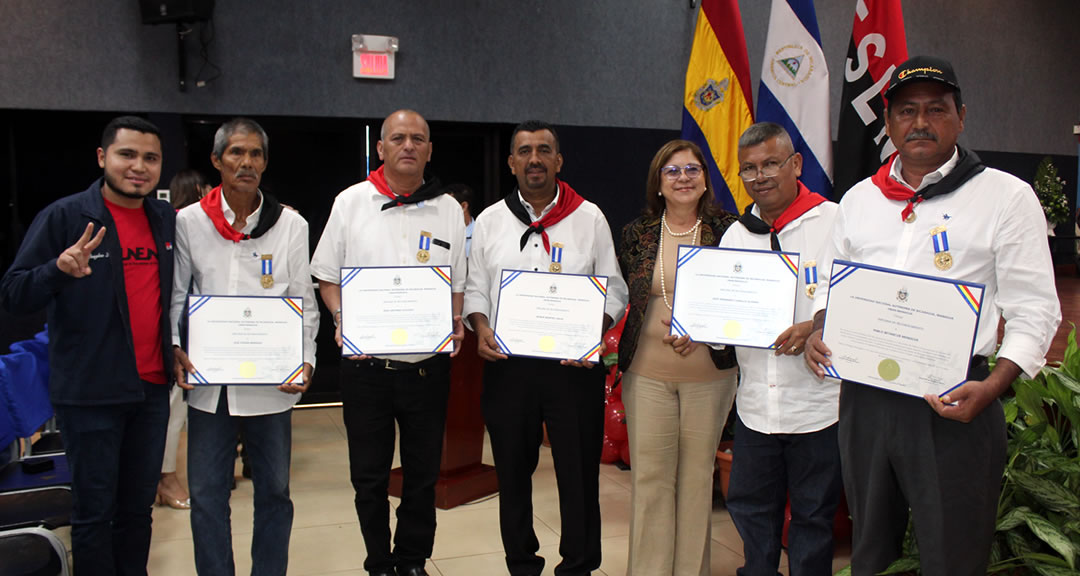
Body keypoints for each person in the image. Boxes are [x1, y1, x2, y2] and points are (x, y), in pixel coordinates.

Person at [804, 56, 1061, 575]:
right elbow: (831, 283)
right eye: (906, 111)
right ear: (889, 122)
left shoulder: (1006, 198)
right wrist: (819, 327)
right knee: (870, 550)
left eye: (936, 110)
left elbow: (1036, 310)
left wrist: (992, 389)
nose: (920, 122)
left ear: (961, 117)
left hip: (956, 399)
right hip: (866, 399)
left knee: (953, 554)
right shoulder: (858, 200)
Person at [0, 115, 175, 575]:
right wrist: (56, 270)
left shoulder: (165, 220)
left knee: (137, 513)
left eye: (150, 158)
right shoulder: (65, 217)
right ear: (102, 158)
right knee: (95, 516)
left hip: (152, 391)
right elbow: (13, 293)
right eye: (127, 154)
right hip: (91, 394)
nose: (139, 166)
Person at [464, 120, 629, 576]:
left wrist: (589, 332)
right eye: (524, 151)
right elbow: (476, 289)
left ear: (559, 160)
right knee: (513, 475)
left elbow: (614, 289)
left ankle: (578, 565)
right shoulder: (490, 221)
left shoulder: (590, 217)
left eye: (543, 150)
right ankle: (521, 562)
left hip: (571, 367)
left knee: (578, 475)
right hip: (508, 366)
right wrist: (480, 329)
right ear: (512, 161)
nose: (534, 159)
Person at [310, 109, 466, 576]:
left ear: (430, 150)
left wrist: (455, 319)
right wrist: (341, 315)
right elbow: (326, 278)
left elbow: (456, 282)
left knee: (422, 476)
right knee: (369, 478)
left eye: (418, 138)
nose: (409, 146)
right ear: (380, 148)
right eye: (398, 138)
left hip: (426, 367)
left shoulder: (449, 211)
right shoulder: (350, 203)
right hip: (367, 370)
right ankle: (378, 560)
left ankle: (412, 559)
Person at [171, 118, 319, 575]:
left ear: (265, 163)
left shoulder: (290, 225)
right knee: (208, 496)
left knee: (274, 493)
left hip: (271, 387)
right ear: (217, 161)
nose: (247, 162)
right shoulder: (190, 222)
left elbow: (303, 302)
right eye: (236, 152)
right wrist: (175, 345)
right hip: (209, 386)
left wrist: (306, 360)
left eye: (256, 154)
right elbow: (178, 294)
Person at [722, 123, 842, 576]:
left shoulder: (834, 222)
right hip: (756, 406)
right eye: (749, 168)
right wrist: (699, 325)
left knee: (813, 518)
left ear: (795, 164)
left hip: (818, 404)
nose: (760, 176)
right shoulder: (737, 235)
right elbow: (722, 318)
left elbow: (856, 297)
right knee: (753, 513)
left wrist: (815, 324)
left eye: (771, 163)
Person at [615, 139, 738, 576]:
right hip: (646, 374)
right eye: (673, 171)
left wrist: (705, 332)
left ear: (705, 179)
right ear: (659, 182)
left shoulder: (732, 230)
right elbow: (620, 295)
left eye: (692, 170)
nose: (683, 178)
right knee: (650, 481)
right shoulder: (637, 232)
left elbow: (743, 299)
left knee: (695, 482)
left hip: (710, 376)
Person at [155, 168, 211, 511]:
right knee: (170, 410)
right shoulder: (177, 222)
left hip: (196, 331)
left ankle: (164, 475)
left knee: (174, 410)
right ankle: (165, 477)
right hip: (171, 331)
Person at [445, 182, 476, 257]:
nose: (443, 209)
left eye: (447, 205)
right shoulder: (439, 233)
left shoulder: (482, 233)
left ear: (463, 206)